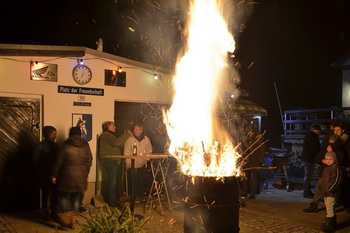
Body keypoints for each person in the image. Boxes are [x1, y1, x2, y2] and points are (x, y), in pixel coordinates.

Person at [52, 127, 92, 229]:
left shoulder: (65, 146)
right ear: (80, 134)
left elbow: (58, 162)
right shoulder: (86, 145)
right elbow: (89, 160)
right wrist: (85, 172)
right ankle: (74, 219)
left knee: (63, 198)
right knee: (76, 199)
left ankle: (70, 216)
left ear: (70, 134)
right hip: (81, 178)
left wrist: (54, 175)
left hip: (66, 177)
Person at [99, 121, 131, 207]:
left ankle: (112, 200)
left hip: (112, 161)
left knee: (112, 181)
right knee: (112, 182)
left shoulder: (108, 135)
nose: (115, 127)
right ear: (108, 127)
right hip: (110, 161)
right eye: (113, 125)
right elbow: (117, 142)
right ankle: (111, 202)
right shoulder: (107, 135)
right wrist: (126, 135)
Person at [32, 126, 59, 221]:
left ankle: (54, 211)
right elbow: (35, 160)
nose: (55, 136)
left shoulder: (56, 146)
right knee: (45, 193)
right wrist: (44, 172)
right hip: (43, 175)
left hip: (54, 175)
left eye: (55, 133)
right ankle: (45, 212)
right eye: (53, 133)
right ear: (47, 134)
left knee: (55, 193)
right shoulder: (40, 146)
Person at [124, 124, 153, 202]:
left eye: (137, 129)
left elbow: (149, 149)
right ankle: (135, 197)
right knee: (134, 181)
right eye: (134, 129)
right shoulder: (130, 139)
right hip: (133, 164)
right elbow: (126, 151)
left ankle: (141, 195)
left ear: (141, 131)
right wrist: (127, 162)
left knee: (141, 180)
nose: (135, 131)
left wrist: (147, 159)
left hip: (142, 163)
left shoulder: (146, 139)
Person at [319, 151, 342, 232]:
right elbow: (324, 180)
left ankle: (330, 226)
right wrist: (322, 189)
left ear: (334, 160)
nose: (328, 161)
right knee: (328, 207)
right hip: (326, 192)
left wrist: (329, 190)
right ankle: (331, 223)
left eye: (330, 159)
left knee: (330, 207)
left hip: (331, 193)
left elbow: (335, 181)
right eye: (327, 159)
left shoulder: (336, 169)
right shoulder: (326, 168)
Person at [241, 130, 266, 200]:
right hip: (246, 162)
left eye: (252, 132)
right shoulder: (246, 140)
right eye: (249, 132)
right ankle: (244, 193)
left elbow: (262, 151)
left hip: (255, 162)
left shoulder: (258, 140)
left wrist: (260, 162)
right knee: (244, 178)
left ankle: (252, 194)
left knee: (253, 179)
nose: (250, 133)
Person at [301, 124, 321, 198]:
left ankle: (307, 191)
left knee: (308, 176)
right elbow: (315, 149)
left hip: (307, 158)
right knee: (308, 176)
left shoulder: (308, 135)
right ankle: (306, 192)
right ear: (317, 130)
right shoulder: (314, 137)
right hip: (309, 159)